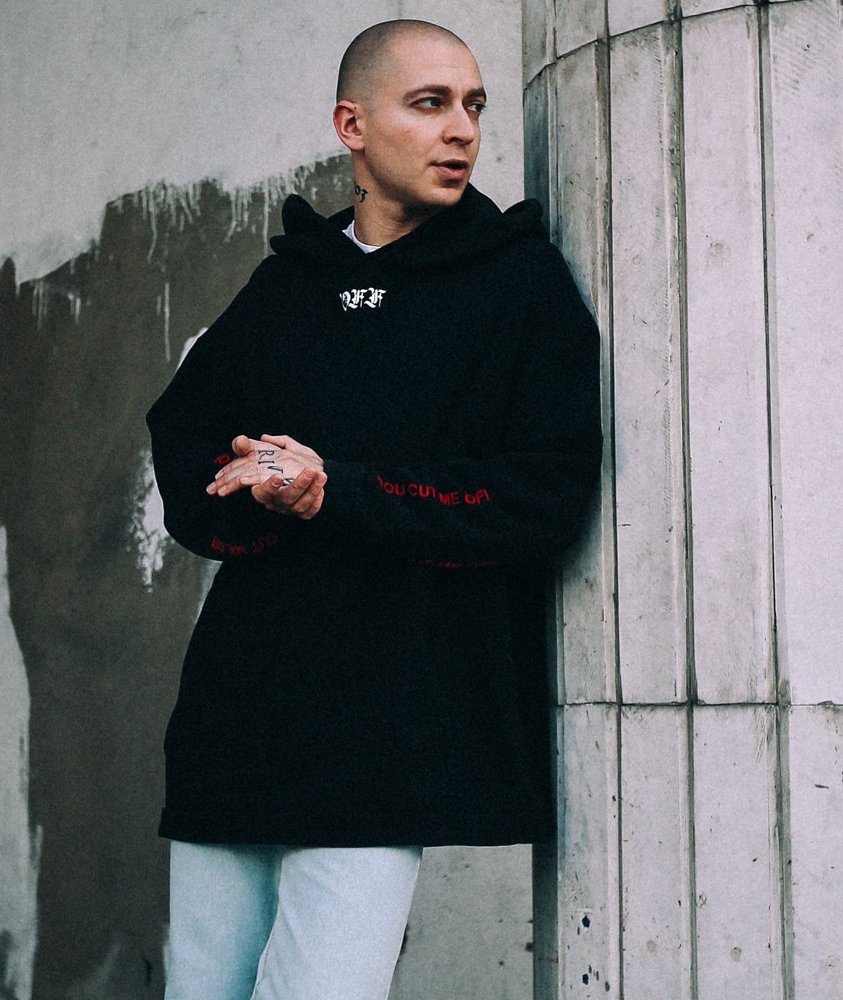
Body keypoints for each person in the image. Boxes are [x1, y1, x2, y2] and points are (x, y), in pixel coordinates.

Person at [146, 19, 602, 1000]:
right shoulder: (288, 283)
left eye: (473, 105)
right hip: (240, 710)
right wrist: (253, 485)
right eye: (429, 104)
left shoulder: (517, 283)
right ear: (352, 125)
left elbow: (545, 492)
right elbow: (185, 438)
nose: (461, 130)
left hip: (391, 718)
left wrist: (336, 490)